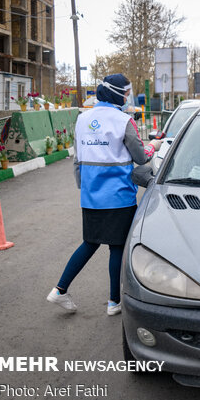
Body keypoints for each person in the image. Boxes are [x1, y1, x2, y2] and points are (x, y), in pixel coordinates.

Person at [47, 74, 161, 315]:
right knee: (117, 247)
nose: (128, 97)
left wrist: (85, 187)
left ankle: (59, 290)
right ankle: (113, 302)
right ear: (117, 93)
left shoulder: (82, 119)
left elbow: (78, 158)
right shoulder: (123, 121)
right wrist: (154, 146)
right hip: (119, 196)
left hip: (91, 196)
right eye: (126, 93)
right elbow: (141, 157)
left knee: (90, 243)